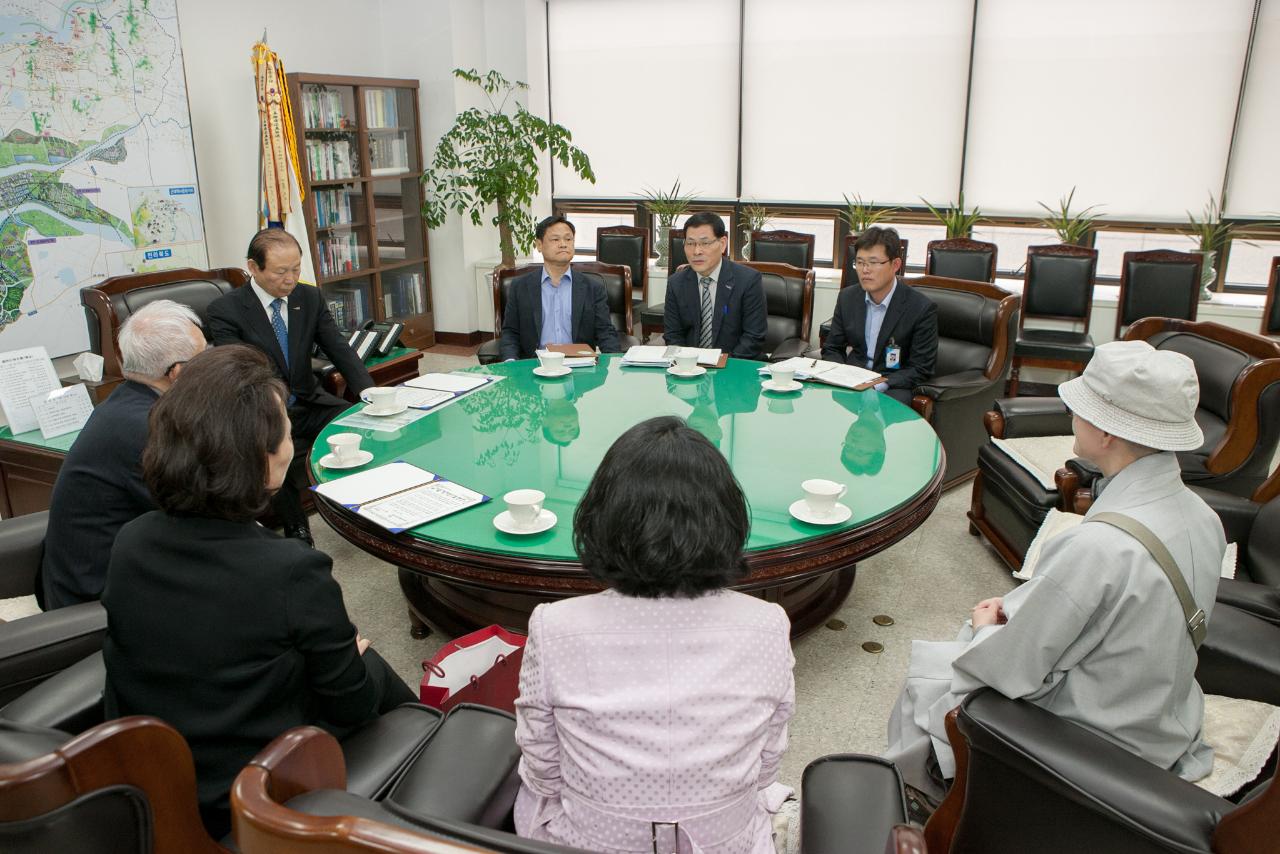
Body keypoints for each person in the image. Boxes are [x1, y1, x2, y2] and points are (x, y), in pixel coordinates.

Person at [885, 340, 1224, 805]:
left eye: (1081, 407)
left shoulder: (1097, 546)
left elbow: (1010, 669)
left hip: (1095, 738)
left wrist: (986, 628)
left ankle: (921, 804)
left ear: (1107, 433)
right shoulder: (1204, 516)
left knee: (931, 680)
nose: (1071, 413)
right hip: (1160, 717)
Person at [101, 344, 416, 838]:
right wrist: (356, 662)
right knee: (376, 670)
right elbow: (350, 706)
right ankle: (433, 750)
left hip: (164, 778)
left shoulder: (130, 541)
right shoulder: (291, 570)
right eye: (288, 435)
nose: (292, 445)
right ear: (261, 460)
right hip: (262, 788)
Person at [514, 416, 795, 853]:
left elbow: (543, 767)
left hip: (590, 841)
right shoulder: (768, 623)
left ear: (602, 515)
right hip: (723, 841)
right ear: (726, 518)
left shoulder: (554, 626)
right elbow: (767, 765)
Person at [207, 227, 374, 545]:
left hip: (309, 400)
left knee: (360, 423)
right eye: (281, 271)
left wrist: (368, 392)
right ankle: (297, 528)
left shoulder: (308, 297)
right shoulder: (226, 310)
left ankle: (360, 504)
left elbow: (337, 347)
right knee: (263, 448)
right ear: (254, 268)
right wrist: (272, 411)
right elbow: (237, 372)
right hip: (264, 410)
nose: (290, 279)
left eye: (296, 269)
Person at [41, 299, 206, 610]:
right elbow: (200, 516)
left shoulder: (128, 402)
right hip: (97, 597)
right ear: (178, 372)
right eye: (204, 355)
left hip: (113, 567)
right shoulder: (145, 431)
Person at [821, 227, 937, 404]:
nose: (865, 270)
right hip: (851, 382)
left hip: (893, 386)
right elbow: (832, 348)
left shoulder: (920, 308)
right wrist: (841, 375)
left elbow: (921, 368)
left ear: (895, 265)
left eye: (873, 262)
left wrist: (877, 384)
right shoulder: (848, 298)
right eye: (859, 262)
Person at [499, 215, 622, 360]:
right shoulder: (520, 286)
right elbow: (511, 332)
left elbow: (605, 332)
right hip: (535, 364)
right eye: (555, 239)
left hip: (579, 365)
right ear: (539, 245)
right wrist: (510, 363)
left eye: (568, 239)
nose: (563, 244)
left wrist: (615, 362)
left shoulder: (593, 288)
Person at [663, 212, 767, 359]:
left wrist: (723, 365)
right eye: (690, 243)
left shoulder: (748, 280)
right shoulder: (676, 283)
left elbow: (753, 336)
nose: (696, 251)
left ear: (722, 244)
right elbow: (673, 335)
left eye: (705, 243)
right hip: (690, 368)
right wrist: (686, 364)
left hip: (735, 367)